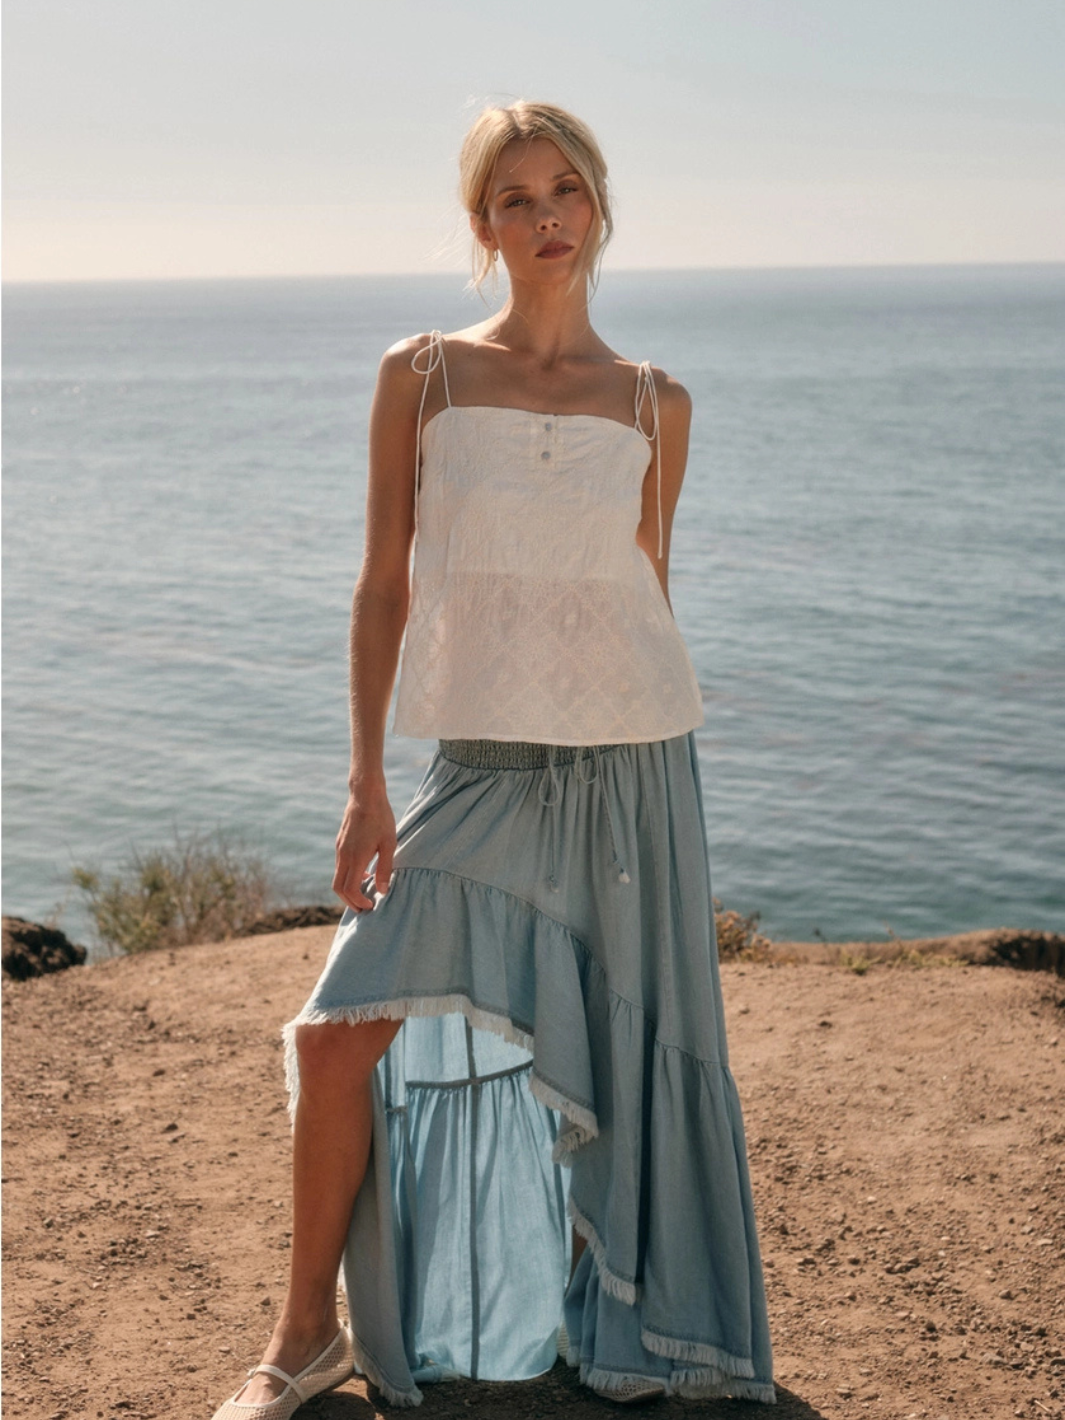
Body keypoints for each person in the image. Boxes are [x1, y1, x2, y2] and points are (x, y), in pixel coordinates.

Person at [211, 100, 775, 1419]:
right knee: (340, 1032)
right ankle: (306, 1338)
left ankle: (639, 1318)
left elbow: (648, 596)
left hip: (631, 769)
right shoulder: (422, 374)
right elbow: (380, 591)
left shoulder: (655, 401)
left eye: (565, 189)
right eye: (514, 197)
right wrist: (363, 782)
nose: (545, 216)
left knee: (632, 1052)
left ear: (599, 210)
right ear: (483, 225)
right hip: (480, 766)